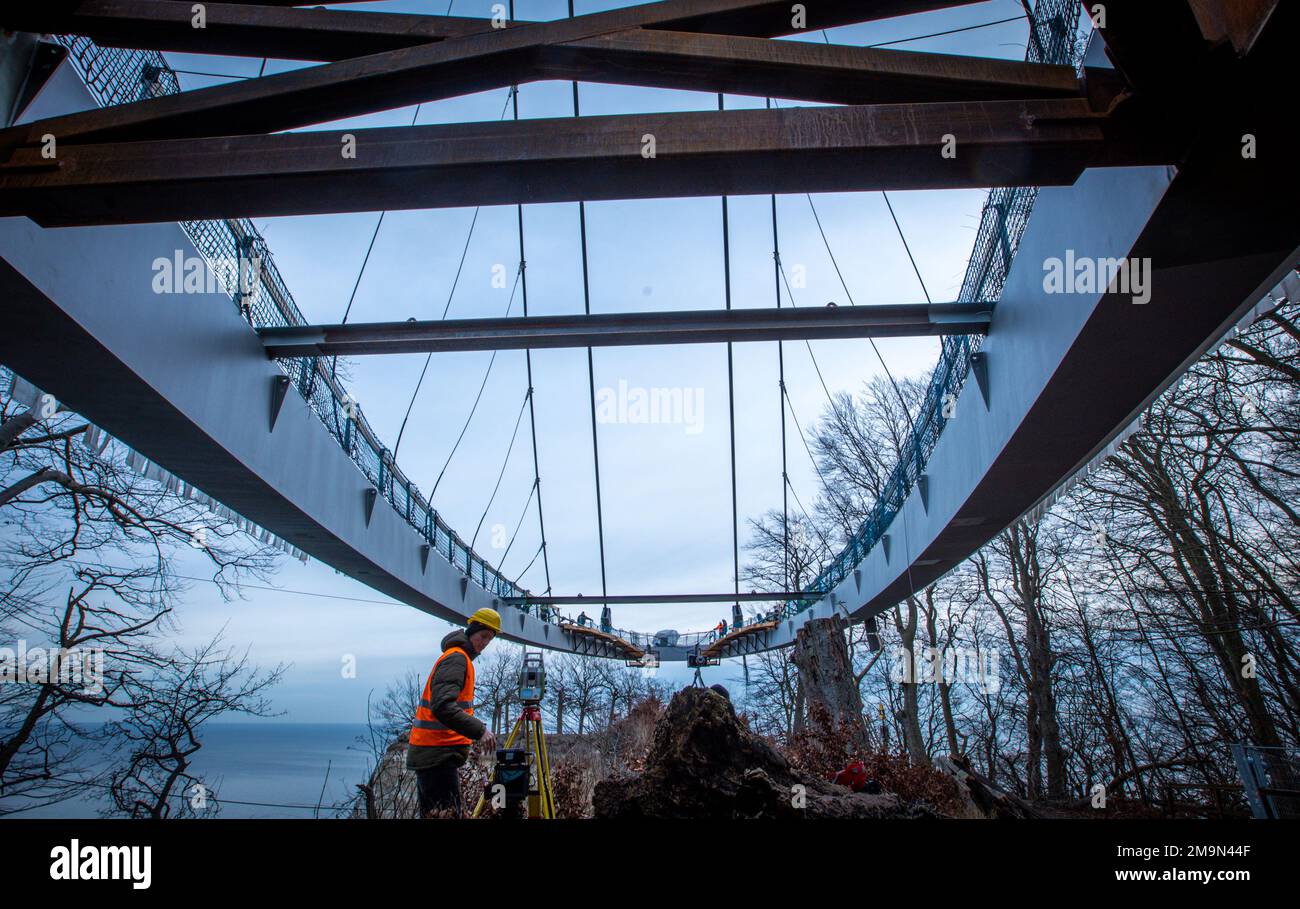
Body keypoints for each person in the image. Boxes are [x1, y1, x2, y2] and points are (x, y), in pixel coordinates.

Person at [406, 607, 500, 817]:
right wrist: (480, 730)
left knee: (438, 813)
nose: (484, 643)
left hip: (437, 754)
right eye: (483, 636)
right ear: (472, 630)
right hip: (437, 754)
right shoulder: (457, 659)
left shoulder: (459, 658)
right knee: (446, 814)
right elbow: (443, 706)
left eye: (489, 639)